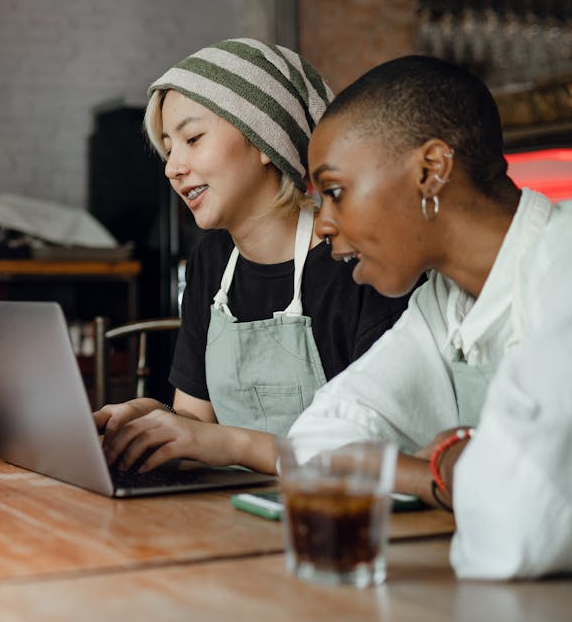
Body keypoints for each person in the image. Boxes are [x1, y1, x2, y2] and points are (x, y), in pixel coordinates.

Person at [293, 54, 572, 579]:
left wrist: (438, 459)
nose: (323, 223)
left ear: (431, 170)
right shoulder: (445, 302)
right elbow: (316, 445)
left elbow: (521, 528)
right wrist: (452, 468)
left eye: (334, 192)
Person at [97, 38, 414, 474]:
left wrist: (230, 444)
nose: (173, 167)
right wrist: (154, 420)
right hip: (227, 512)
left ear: (267, 140)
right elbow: (199, 422)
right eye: (170, 149)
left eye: (192, 138)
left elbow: (377, 455)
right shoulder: (212, 259)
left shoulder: (358, 262)